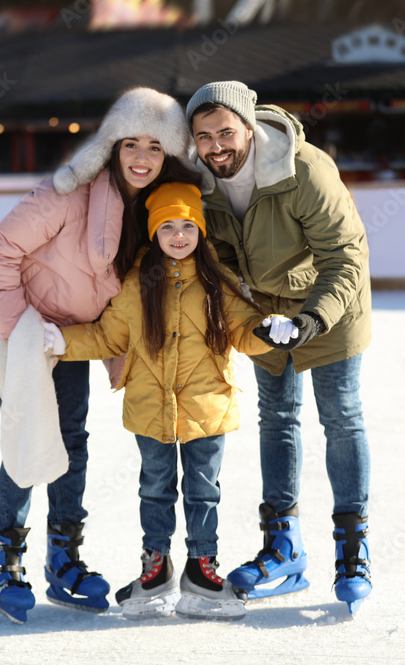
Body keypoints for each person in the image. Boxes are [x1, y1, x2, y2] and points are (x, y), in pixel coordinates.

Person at [0, 87, 203, 624]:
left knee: (72, 433)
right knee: (31, 424)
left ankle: (64, 556)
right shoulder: (67, 195)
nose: (142, 158)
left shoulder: (156, 212)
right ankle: (4, 558)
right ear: (111, 148)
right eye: (131, 145)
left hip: (70, 327)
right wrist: (17, 337)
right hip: (15, 313)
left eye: (155, 147)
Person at [40, 182, 299, 621]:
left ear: (199, 228)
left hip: (208, 406)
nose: (178, 236)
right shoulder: (138, 281)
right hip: (150, 408)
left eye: (187, 226)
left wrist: (265, 330)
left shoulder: (218, 280)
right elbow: (108, 336)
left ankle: (202, 568)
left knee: (204, 491)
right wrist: (62, 340)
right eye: (167, 228)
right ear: (154, 233)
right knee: (155, 489)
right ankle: (155, 566)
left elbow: (242, 329)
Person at [185, 81, 373, 614]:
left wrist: (315, 317)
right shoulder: (203, 182)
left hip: (329, 303)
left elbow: (345, 253)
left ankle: (353, 545)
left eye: (225, 132)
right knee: (277, 417)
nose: (216, 145)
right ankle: (283, 545)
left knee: (341, 416)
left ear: (249, 126)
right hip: (265, 311)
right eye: (204, 136)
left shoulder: (304, 169)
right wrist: (249, 311)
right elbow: (215, 254)